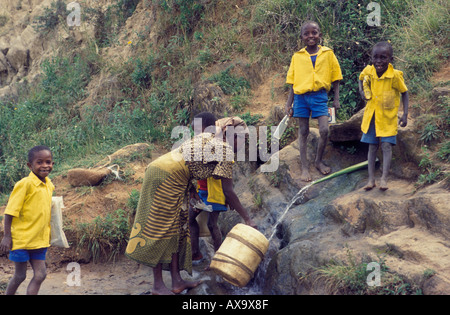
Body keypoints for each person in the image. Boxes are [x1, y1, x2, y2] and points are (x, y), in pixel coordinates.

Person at [125, 113, 256, 295]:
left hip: (171, 175)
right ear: (233, 135)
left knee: (178, 228)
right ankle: (157, 286)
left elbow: (192, 164)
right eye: (243, 139)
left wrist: (193, 189)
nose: (243, 144)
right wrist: (247, 218)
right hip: (164, 177)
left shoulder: (208, 139)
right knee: (161, 228)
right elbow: (228, 190)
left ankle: (177, 281)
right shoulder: (223, 148)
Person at [188, 114, 256, 263]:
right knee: (190, 219)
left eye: (199, 131)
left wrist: (247, 218)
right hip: (201, 192)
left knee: (212, 225)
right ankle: (195, 254)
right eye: (195, 132)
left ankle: (219, 260)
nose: (197, 136)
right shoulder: (203, 144)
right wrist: (193, 191)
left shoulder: (220, 147)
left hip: (215, 194)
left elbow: (227, 189)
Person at [284, 20, 342, 182]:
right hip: (301, 97)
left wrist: (336, 98)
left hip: (319, 96)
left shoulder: (328, 54)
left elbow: (336, 77)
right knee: (303, 131)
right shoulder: (297, 57)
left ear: (320, 35)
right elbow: (293, 82)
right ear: (302, 37)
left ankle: (318, 161)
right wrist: (289, 103)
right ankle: (304, 167)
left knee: (324, 130)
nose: (311, 36)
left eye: (314, 32)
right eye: (307, 33)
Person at [0, 145, 55, 295]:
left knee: (40, 274)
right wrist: (6, 236)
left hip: (39, 240)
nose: (45, 166)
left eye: (48, 162)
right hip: (22, 240)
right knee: (20, 275)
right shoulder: (25, 184)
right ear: (30, 165)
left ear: (53, 164)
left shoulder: (49, 184)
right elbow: (10, 212)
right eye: (39, 162)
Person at [358, 41, 409, 191]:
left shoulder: (394, 76)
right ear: (371, 58)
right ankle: (371, 179)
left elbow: (404, 92)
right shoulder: (369, 71)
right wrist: (362, 91)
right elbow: (361, 79)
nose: (379, 61)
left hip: (388, 118)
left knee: (386, 146)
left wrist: (405, 114)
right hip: (372, 116)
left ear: (390, 59)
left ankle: (384, 179)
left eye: (383, 58)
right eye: (376, 57)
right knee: (372, 147)